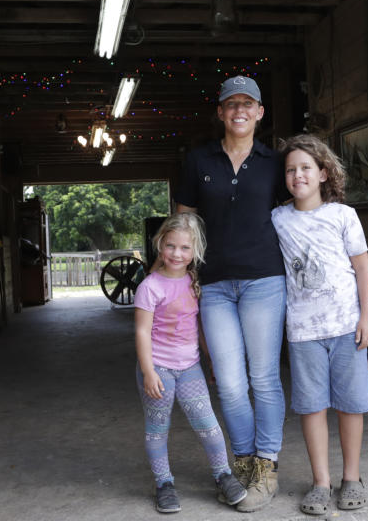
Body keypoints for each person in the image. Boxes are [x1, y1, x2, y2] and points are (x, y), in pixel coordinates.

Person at [174, 75, 287, 512]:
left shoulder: (275, 163)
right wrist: (173, 278)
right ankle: (243, 463)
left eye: (248, 104)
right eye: (231, 104)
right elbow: (185, 223)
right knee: (230, 381)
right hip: (215, 285)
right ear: (220, 112)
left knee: (263, 377)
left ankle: (267, 465)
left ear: (260, 112)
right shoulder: (198, 159)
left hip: (264, 280)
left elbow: (295, 217)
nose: (239, 110)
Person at [270, 134, 368, 515]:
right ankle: (320, 482)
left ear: (323, 173)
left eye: (305, 168)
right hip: (303, 333)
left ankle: (351, 477)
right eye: (290, 170)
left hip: (347, 327)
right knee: (312, 407)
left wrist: (366, 317)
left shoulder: (343, 215)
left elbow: (362, 267)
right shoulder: (279, 219)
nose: (298, 175)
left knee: (350, 405)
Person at [133, 212, 247, 514]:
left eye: (185, 248)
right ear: (160, 244)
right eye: (170, 246)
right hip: (157, 368)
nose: (176, 254)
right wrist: (147, 371)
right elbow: (142, 331)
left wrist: (209, 361)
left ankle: (223, 474)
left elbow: (198, 327)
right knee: (157, 427)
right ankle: (163, 483)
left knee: (207, 423)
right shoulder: (149, 287)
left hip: (189, 367)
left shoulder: (194, 281)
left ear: (194, 251)